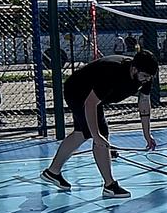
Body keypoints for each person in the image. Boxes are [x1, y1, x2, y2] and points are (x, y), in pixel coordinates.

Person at [40, 49, 160, 198]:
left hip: (91, 96)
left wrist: (147, 134)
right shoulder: (113, 74)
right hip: (77, 90)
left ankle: (52, 172)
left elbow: (144, 102)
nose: (147, 80)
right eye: (145, 76)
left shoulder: (146, 77)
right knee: (99, 133)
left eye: (150, 77)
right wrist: (96, 136)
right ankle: (109, 185)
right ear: (134, 69)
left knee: (81, 133)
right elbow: (90, 104)